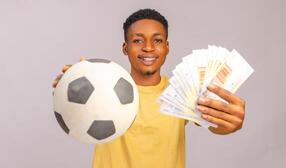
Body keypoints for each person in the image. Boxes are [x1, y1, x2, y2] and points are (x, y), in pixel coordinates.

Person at [52, 9, 245, 168]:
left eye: (157, 40)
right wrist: (72, 86)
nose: (148, 48)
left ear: (167, 47)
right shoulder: (102, 86)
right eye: (138, 40)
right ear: (125, 48)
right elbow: (78, 103)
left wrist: (230, 123)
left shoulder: (182, 91)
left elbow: (215, 124)